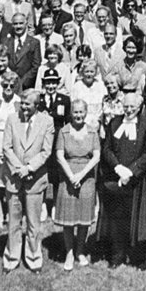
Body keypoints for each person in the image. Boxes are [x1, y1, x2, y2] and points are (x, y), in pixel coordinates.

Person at [99, 90, 146, 269]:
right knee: (117, 219)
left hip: (137, 181)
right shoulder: (115, 122)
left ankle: (140, 258)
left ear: (139, 107)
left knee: (139, 221)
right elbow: (107, 148)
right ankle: (117, 256)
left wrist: (131, 172)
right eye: (126, 106)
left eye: (132, 106)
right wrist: (117, 167)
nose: (129, 110)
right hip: (116, 179)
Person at [2, 89, 54, 274]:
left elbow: (46, 151)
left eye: (27, 104)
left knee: (33, 223)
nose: (23, 107)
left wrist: (29, 168)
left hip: (35, 179)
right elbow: (6, 147)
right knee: (13, 221)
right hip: (14, 178)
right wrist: (19, 169)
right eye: (22, 103)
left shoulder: (47, 121)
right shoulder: (11, 119)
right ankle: (11, 258)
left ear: (37, 105)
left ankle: (33, 258)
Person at [54, 98, 99, 270]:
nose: (78, 115)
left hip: (87, 177)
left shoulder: (93, 132)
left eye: (81, 112)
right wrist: (71, 175)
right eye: (75, 112)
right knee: (68, 219)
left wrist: (81, 174)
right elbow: (59, 155)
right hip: (68, 177)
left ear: (86, 113)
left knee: (84, 219)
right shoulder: (64, 132)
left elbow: (96, 156)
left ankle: (80, 250)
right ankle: (69, 252)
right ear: (71, 113)